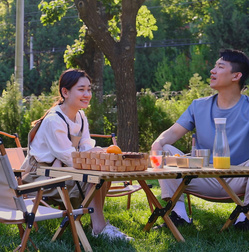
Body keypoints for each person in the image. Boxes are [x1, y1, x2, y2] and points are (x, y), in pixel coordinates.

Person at [21, 68, 132, 241]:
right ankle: (99, 227)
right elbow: (69, 156)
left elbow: (86, 146)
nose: (87, 94)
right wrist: (95, 154)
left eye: (89, 89)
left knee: (101, 173)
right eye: (81, 89)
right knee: (95, 176)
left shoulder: (80, 116)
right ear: (65, 92)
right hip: (40, 176)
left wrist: (99, 152)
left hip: (63, 170)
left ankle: (98, 225)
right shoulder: (54, 120)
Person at [151, 48, 249, 230]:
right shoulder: (199, 106)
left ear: (236, 76)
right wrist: (157, 144)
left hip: (240, 178)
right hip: (202, 176)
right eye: (214, 66)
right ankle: (179, 214)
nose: (212, 71)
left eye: (220, 67)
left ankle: (245, 216)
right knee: (165, 148)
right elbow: (172, 133)